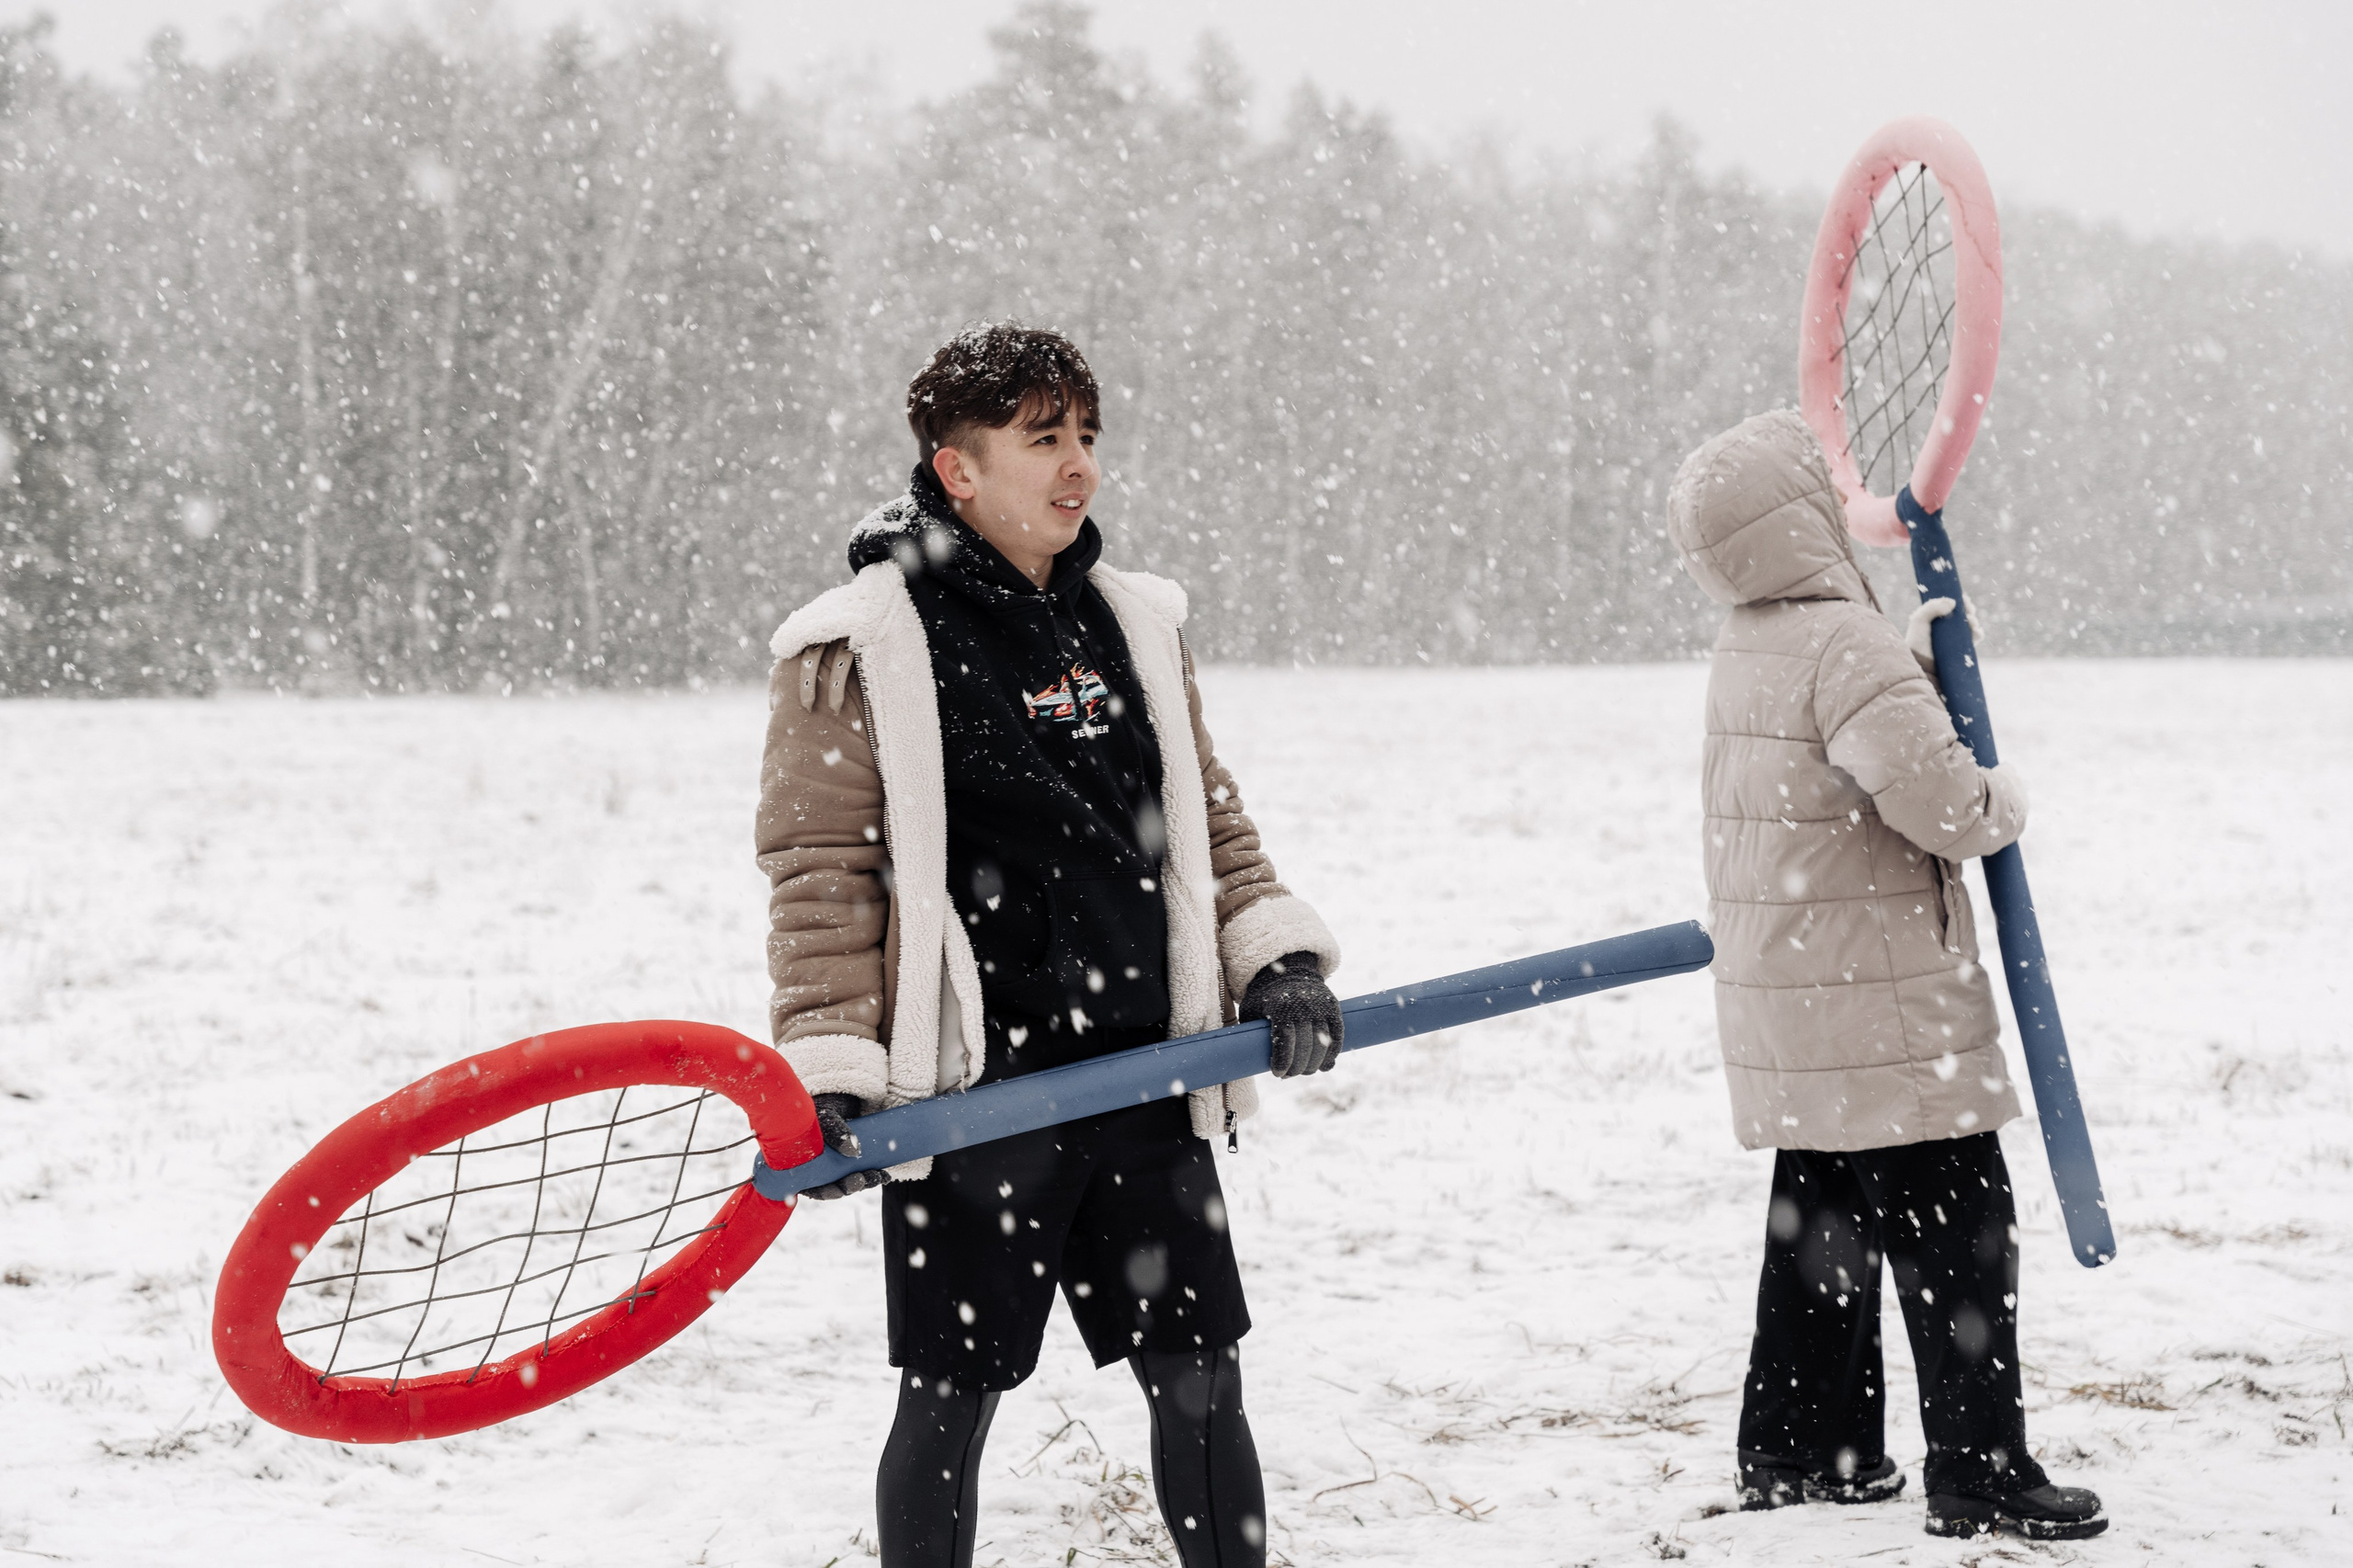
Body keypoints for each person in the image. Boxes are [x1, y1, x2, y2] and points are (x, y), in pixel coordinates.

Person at [754, 322, 1344, 1568]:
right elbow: (822, 876)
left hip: (1146, 1076)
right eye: (1044, 440)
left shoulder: (1135, 623)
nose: (1078, 466)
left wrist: (1275, 956)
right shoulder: (857, 644)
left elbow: (1207, 822)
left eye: (1087, 436)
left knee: (1201, 1382)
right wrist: (834, 1064)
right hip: (976, 1102)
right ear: (956, 467)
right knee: (950, 1401)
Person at [1664, 409, 2106, 1542]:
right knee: (1959, 1226)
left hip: (1799, 998)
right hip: (1886, 1010)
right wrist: (2002, 792)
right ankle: (1981, 1468)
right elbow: (1946, 805)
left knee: (1822, 1223)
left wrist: (1903, 672)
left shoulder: (1751, 638)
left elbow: (1826, 758)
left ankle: (1805, 1447)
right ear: (1804, 516)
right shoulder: (1840, 642)